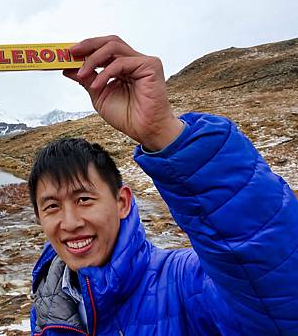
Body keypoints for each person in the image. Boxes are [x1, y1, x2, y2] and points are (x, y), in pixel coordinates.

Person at [28, 35, 298, 335]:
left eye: (84, 200)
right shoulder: (49, 302)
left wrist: (162, 131)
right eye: (52, 206)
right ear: (39, 218)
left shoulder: (185, 283)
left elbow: (278, 293)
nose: (71, 222)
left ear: (122, 202)